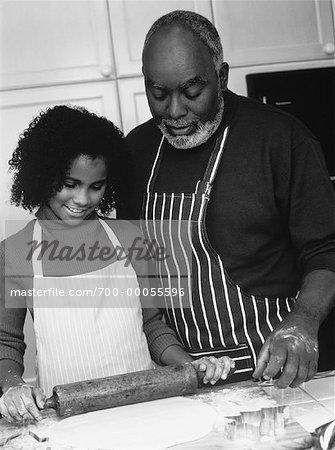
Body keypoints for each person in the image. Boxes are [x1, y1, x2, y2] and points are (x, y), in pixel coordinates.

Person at [126, 10, 335, 389]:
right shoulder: (136, 152)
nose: (173, 111)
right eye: (158, 93)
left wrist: (304, 320)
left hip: (279, 371)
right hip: (186, 373)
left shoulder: (280, 139)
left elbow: (327, 249)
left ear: (221, 77)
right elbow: (139, 271)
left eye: (192, 92)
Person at [0, 105, 235, 423]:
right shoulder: (15, 251)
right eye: (69, 184)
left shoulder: (128, 238)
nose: (82, 200)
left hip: (145, 407)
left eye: (95, 187)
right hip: (66, 416)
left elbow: (151, 325)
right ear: (42, 177)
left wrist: (188, 365)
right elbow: (7, 340)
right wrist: (12, 386)